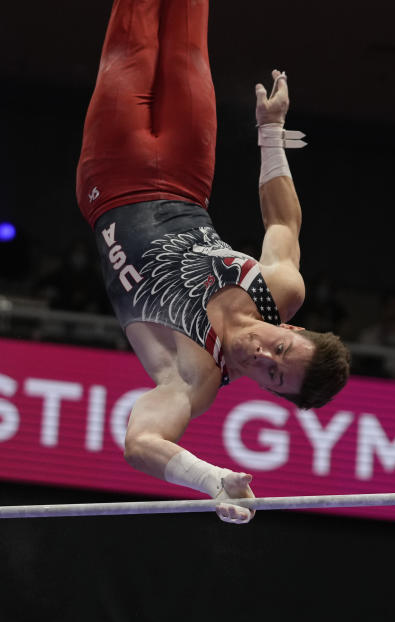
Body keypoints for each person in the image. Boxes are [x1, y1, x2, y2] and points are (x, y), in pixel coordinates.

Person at [75, 0, 350, 524]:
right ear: (294, 329)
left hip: (112, 180)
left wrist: (212, 480)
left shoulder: (192, 379)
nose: (261, 354)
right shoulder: (279, 292)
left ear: (270, 391)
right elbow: (281, 226)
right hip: (188, 173)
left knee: (133, 41)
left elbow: (141, 442)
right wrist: (272, 132)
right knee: (187, 39)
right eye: (281, 347)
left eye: (272, 375)